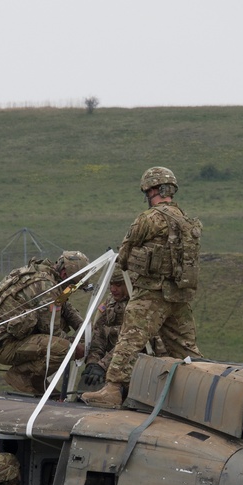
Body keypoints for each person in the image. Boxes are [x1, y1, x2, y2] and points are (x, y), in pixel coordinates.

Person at [80, 167, 202, 408]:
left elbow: (124, 253)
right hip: (179, 295)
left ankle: (113, 390)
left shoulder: (149, 219)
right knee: (186, 349)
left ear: (153, 189)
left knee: (129, 339)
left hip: (151, 292)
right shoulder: (188, 221)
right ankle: (199, 394)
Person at [0, 251, 90, 396]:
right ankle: (23, 376)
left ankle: (37, 380)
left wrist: (85, 329)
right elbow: (51, 330)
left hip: (6, 339)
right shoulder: (46, 286)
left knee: (65, 344)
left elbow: (64, 305)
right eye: (73, 286)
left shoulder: (45, 276)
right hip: (5, 345)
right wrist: (77, 346)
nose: (72, 290)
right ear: (65, 275)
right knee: (64, 349)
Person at [80, 276, 167, 390]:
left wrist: (102, 366)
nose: (113, 289)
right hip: (115, 362)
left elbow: (134, 340)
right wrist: (93, 362)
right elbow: (99, 334)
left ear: (130, 283)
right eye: (111, 285)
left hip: (144, 363)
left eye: (118, 285)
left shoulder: (142, 305)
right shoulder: (110, 303)